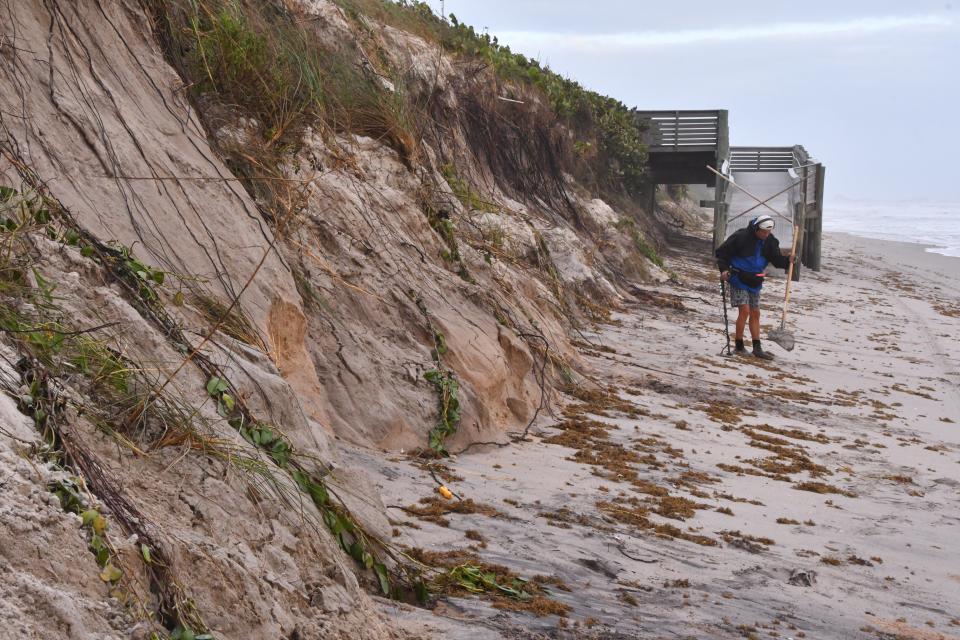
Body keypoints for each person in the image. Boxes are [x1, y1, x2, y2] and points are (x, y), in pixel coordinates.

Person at [715, 214, 793, 360]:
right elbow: (721, 253)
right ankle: (739, 346)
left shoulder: (770, 241)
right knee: (744, 311)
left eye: (768, 232)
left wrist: (788, 260)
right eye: (763, 232)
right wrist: (724, 269)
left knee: (755, 313)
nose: (766, 235)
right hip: (738, 278)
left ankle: (757, 348)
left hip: (755, 281)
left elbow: (776, 260)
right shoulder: (740, 237)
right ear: (756, 228)